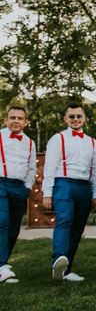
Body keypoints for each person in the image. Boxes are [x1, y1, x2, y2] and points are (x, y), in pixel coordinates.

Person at [43, 102, 96, 282]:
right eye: (72, 116)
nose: (75, 119)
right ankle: (58, 258)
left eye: (79, 116)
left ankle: (66, 270)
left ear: (84, 119)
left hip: (84, 187)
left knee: (77, 228)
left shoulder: (92, 142)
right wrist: (47, 192)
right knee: (65, 220)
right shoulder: (58, 138)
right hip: (63, 184)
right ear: (65, 119)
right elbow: (50, 167)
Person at [0, 107, 36, 284]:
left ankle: (2, 265)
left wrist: (27, 188)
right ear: (6, 120)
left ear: (25, 122)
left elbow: (32, 168)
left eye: (20, 118)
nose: (16, 121)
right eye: (12, 117)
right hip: (0, 184)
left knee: (14, 228)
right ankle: (2, 266)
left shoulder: (30, 142)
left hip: (19, 187)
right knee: (2, 221)